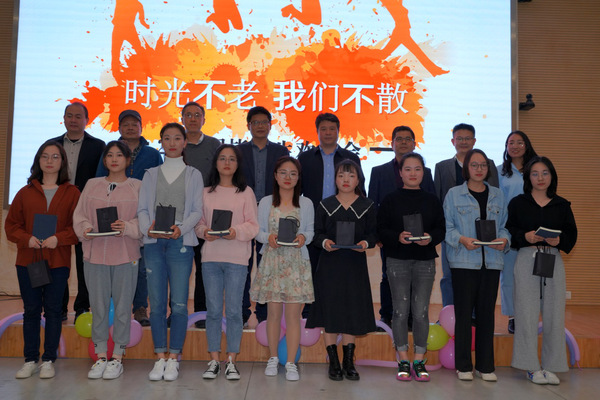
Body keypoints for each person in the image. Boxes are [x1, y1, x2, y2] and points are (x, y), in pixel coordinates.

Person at [5, 141, 80, 379]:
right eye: (45, 156)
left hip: (57, 261)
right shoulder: (24, 193)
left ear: (62, 162)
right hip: (29, 261)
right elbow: (11, 227)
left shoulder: (72, 193)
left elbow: (78, 228)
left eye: (55, 157)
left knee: (54, 311)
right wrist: (26, 239)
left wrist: (59, 238)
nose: (49, 161)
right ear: (38, 160)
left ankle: (48, 359)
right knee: (31, 310)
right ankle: (30, 360)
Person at [137, 123, 203, 381]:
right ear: (161, 142)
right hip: (154, 242)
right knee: (156, 304)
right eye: (167, 138)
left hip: (180, 242)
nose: (172, 143)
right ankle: (159, 356)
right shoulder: (150, 174)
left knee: (179, 304)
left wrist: (181, 228)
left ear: (185, 142)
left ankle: (174, 357)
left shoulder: (193, 174)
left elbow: (196, 210)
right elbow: (143, 209)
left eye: (177, 138)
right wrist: (148, 229)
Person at [74, 141, 143, 379]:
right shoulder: (92, 184)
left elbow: (145, 219)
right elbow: (79, 214)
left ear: (128, 160)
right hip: (95, 254)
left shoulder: (138, 186)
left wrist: (128, 226)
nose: (114, 159)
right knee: (98, 306)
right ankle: (101, 355)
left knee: (123, 307)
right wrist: (85, 228)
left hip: (126, 254)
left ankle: (118, 357)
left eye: (119, 155)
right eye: (110, 155)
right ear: (104, 161)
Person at [507, 156, 577, 385]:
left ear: (552, 176)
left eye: (545, 173)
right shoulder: (518, 203)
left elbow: (571, 235)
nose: (540, 178)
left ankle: (552, 366)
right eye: (535, 173)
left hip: (552, 259)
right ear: (528, 177)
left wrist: (560, 240)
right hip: (527, 259)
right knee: (526, 314)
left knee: (554, 315)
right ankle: (530, 367)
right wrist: (524, 236)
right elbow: (509, 231)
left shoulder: (562, 204)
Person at [306, 159, 377, 381]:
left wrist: (365, 243)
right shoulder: (325, 204)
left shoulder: (368, 205)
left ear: (358, 180)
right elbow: (316, 234)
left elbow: (373, 234)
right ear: (335, 179)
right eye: (341, 175)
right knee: (331, 312)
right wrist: (324, 242)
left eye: (351, 175)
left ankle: (348, 362)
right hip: (330, 266)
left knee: (351, 311)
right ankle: (334, 362)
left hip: (355, 266)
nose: (346, 180)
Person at [377, 152, 445, 382]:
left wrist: (430, 237)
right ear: (400, 172)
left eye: (417, 169)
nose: (413, 173)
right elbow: (381, 229)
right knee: (399, 310)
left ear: (423, 172)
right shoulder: (390, 199)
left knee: (421, 311)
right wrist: (397, 236)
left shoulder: (432, 200)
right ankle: (403, 359)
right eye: (408, 169)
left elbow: (441, 229)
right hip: (397, 259)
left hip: (425, 260)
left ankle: (419, 360)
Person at [443, 149, 509, 382]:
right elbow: (447, 228)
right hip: (464, 261)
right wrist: (462, 239)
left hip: (491, 262)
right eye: (474, 165)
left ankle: (485, 366)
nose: (479, 169)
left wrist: (504, 239)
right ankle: (463, 366)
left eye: (483, 165)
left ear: (488, 169)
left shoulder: (498, 195)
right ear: (466, 168)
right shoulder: (454, 194)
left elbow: (504, 226)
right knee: (463, 315)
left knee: (486, 315)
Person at [195, 144, 259, 381]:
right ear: (216, 162)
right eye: (222, 158)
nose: (227, 163)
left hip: (237, 259)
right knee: (213, 311)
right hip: (211, 258)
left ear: (237, 164)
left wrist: (235, 231)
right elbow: (199, 223)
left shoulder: (246, 192)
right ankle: (214, 359)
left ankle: (231, 359)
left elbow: (253, 225)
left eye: (232, 159)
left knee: (233, 311)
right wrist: (204, 232)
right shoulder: (205, 192)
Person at [96, 109, 163, 327]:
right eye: (126, 124)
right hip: (113, 213)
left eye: (135, 124)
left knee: (141, 266)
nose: (131, 127)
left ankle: (140, 307)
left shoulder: (152, 154)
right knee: (113, 263)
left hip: (142, 214)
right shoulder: (110, 151)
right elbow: (99, 181)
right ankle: (114, 308)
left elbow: (159, 184)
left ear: (142, 127)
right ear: (119, 128)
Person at [250, 156, 314, 381]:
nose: (288, 177)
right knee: (273, 314)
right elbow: (258, 232)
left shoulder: (306, 203)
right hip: (273, 262)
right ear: (275, 176)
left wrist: (303, 237)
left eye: (293, 173)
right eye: (283, 173)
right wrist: (268, 237)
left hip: (296, 263)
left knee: (294, 316)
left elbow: (310, 231)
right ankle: (273, 357)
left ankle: (291, 363)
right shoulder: (266, 202)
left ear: (298, 178)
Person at [368, 125, 435, 328]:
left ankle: (413, 317)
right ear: (392, 144)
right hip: (391, 235)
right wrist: (378, 235)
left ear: (414, 144)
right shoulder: (379, 171)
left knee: (417, 276)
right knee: (388, 275)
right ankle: (387, 314)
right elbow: (373, 205)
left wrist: (428, 233)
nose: (403, 142)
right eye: (399, 139)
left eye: (408, 139)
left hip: (419, 235)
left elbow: (432, 202)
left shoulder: (426, 172)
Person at [298, 112, 362, 318]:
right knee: (313, 267)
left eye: (332, 129)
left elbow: (360, 191)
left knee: (340, 268)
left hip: (343, 220)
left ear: (338, 131)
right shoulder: (305, 158)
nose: (327, 133)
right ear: (317, 132)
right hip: (313, 220)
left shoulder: (350, 158)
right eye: (323, 129)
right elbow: (298, 190)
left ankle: (338, 309)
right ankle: (311, 311)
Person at [50, 101, 105, 321]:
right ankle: (59, 307)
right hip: (57, 209)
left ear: (87, 120)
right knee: (58, 260)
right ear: (64, 119)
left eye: (78, 116)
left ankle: (82, 306)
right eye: (69, 116)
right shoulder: (51, 145)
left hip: (86, 210)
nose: (73, 120)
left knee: (85, 262)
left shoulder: (98, 146)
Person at [434, 123, 498, 307]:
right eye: (459, 138)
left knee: (479, 276)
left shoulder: (488, 165)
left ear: (474, 141)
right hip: (452, 231)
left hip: (482, 232)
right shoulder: (442, 167)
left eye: (467, 138)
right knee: (449, 276)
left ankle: (474, 316)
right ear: (452, 141)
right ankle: (449, 314)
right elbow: (437, 199)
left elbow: (495, 198)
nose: (463, 142)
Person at [238, 106, 290, 324]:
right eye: (255, 122)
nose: (260, 126)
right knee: (242, 263)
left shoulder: (280, 151)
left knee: (268, 264)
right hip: (243, 212)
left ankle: (264, 313)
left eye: (264, 122)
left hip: (271, 212)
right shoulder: (239, 151)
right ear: (249, 126)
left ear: (270, 125)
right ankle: (242, 311)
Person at [181, 101, 221, 329]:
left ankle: (202, 313)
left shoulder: (214, 145)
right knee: (180, 267)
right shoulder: (177, 143)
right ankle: (176, 313)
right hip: (181, 216)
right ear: (182, 119)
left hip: (206, 215)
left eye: (197, 115)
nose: (193, 119)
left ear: (204, 119)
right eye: (188, 115)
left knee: (204, 265)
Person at [496, 131, 537, 334]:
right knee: (509, 276)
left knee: (531, 274)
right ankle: (513, 316)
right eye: (510, 142)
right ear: (506, 147)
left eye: (519, 142)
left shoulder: (536, 169)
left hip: (533, 229)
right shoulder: (499, 171)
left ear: (526, 145)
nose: (515, 146)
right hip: (508, 228)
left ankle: (529, 314)